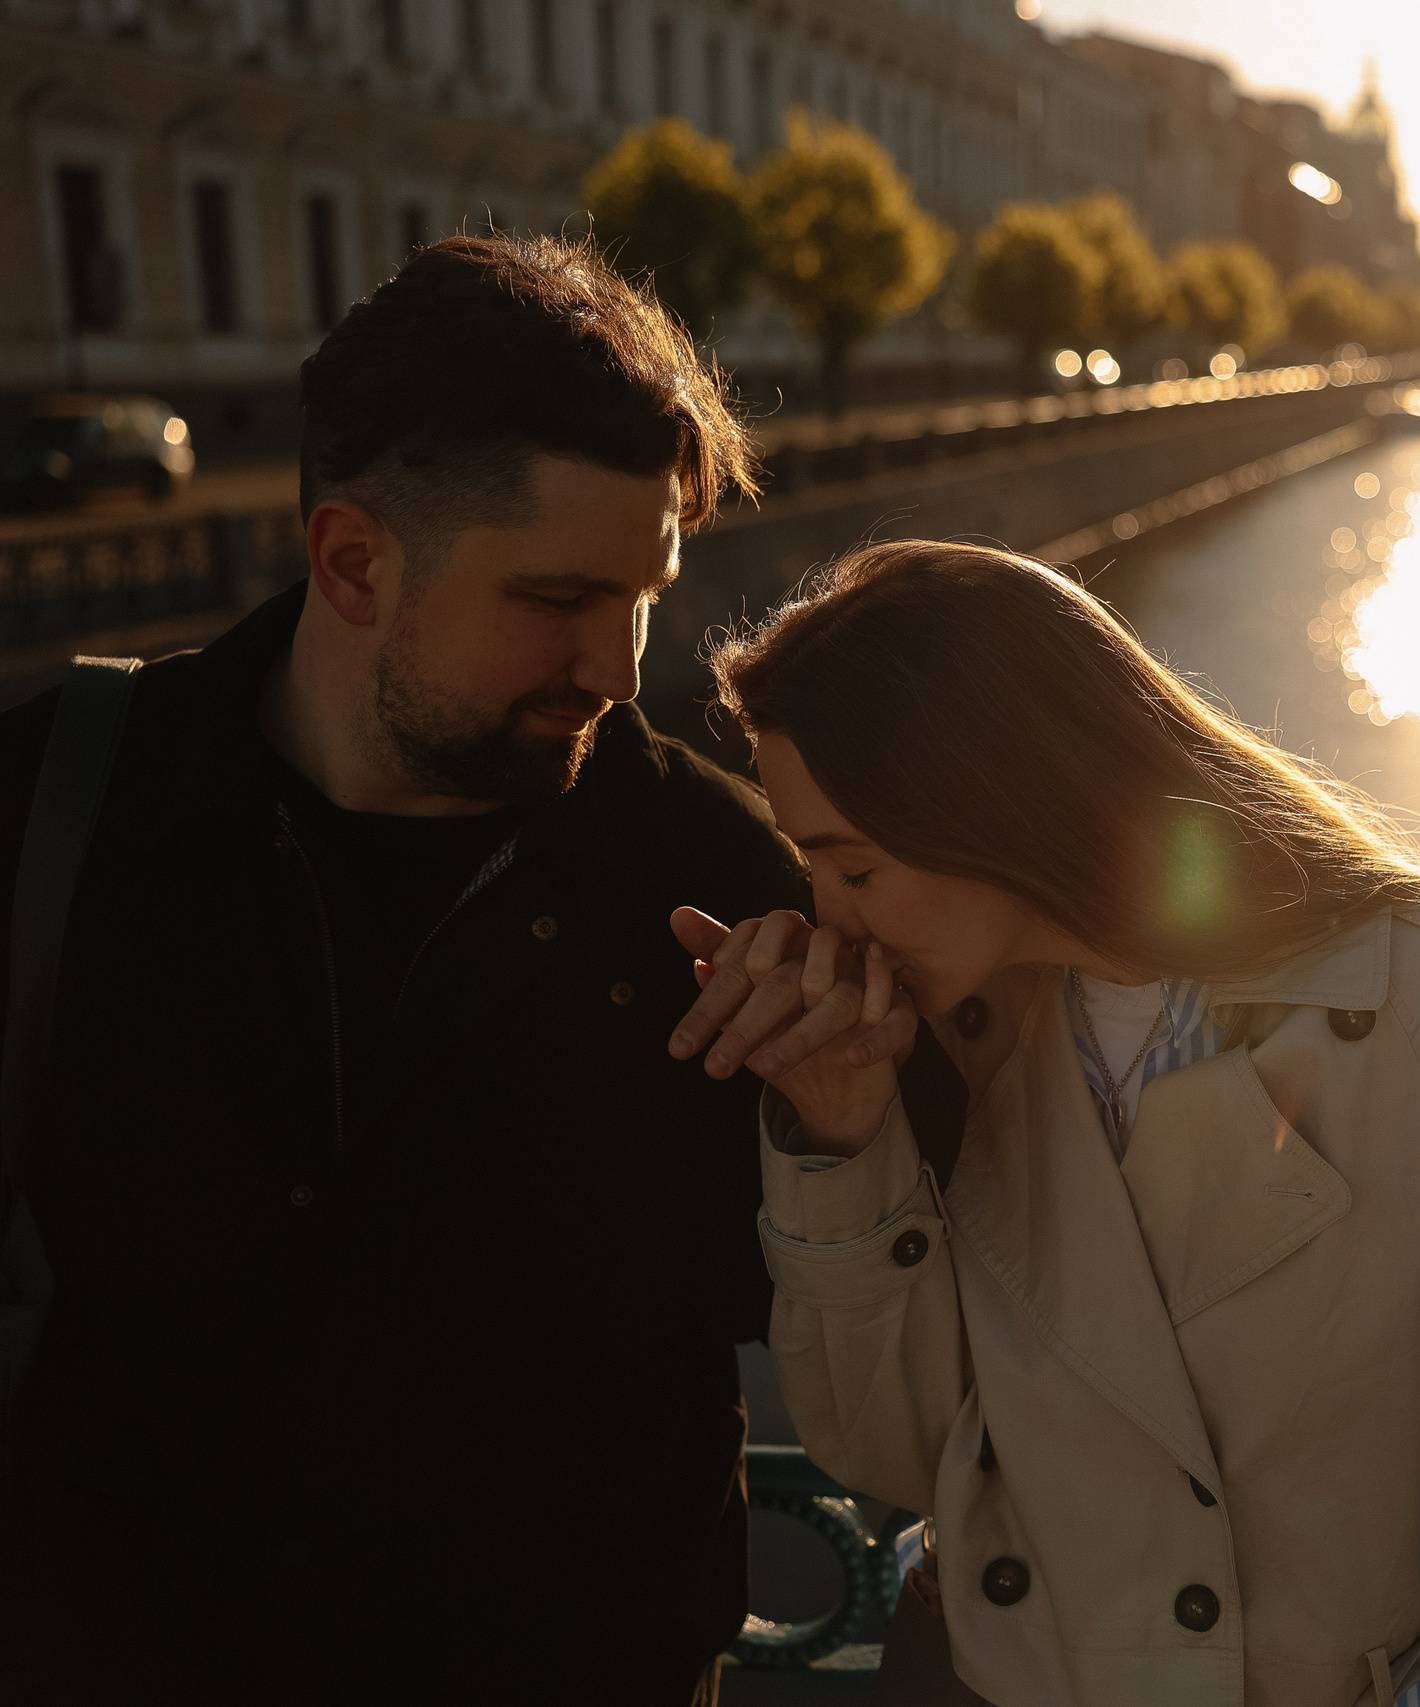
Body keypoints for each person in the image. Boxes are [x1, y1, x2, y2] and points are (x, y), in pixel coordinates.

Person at [0, 234, 861, 1704]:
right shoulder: (51, 812)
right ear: (351, 560)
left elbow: (838, 1356)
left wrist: (840, 1129)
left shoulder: (720, 885)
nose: (616, 664)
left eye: (643, 596)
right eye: (557, 599)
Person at [667, 540, 1420, 1705]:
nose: (828, 915)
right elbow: (890, 1452)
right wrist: (841, 1128)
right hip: (1001, 1673)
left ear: (995, 806)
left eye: (851, 868)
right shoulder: (946, 1034)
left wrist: (1375, 1557)